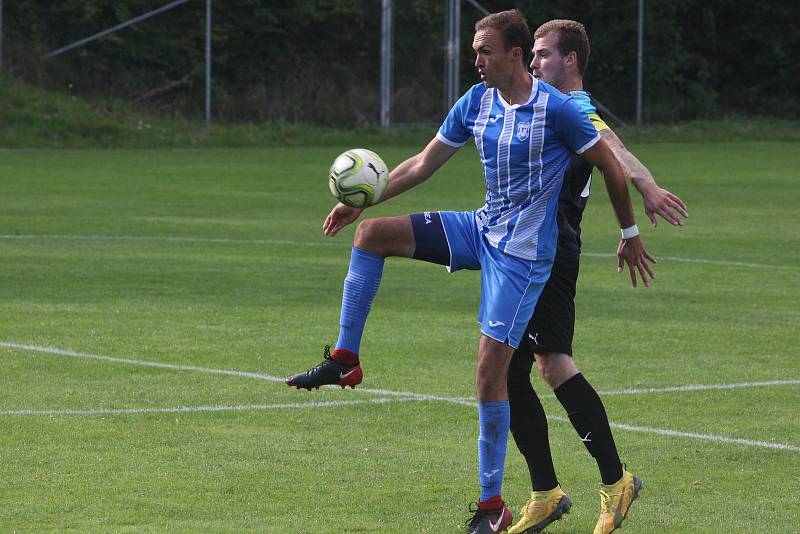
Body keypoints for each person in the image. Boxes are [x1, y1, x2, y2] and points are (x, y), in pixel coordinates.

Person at [285, 10, 655, 534]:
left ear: (515, 54)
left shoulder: (559, 110)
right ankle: (345, 359)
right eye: (474, 50)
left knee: (494, 374)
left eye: (484, 50)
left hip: (523, 257)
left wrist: (629, 232)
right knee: (372, 237)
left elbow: (613, 164)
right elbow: (421, 163)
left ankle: (493, 506)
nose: (474, 59)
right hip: (481, 228)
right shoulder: (476, 101)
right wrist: (364, 202)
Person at [505, 20, 688, 534]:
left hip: (550, 254)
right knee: (509, 369)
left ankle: (614, 481)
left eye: (542, 55)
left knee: (553, 364)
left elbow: (615, 149)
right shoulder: (543, 105)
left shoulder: (576, 106)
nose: (534, 62)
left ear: (570, 62)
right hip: (521, 252)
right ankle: (547, 492)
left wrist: (645, 185)